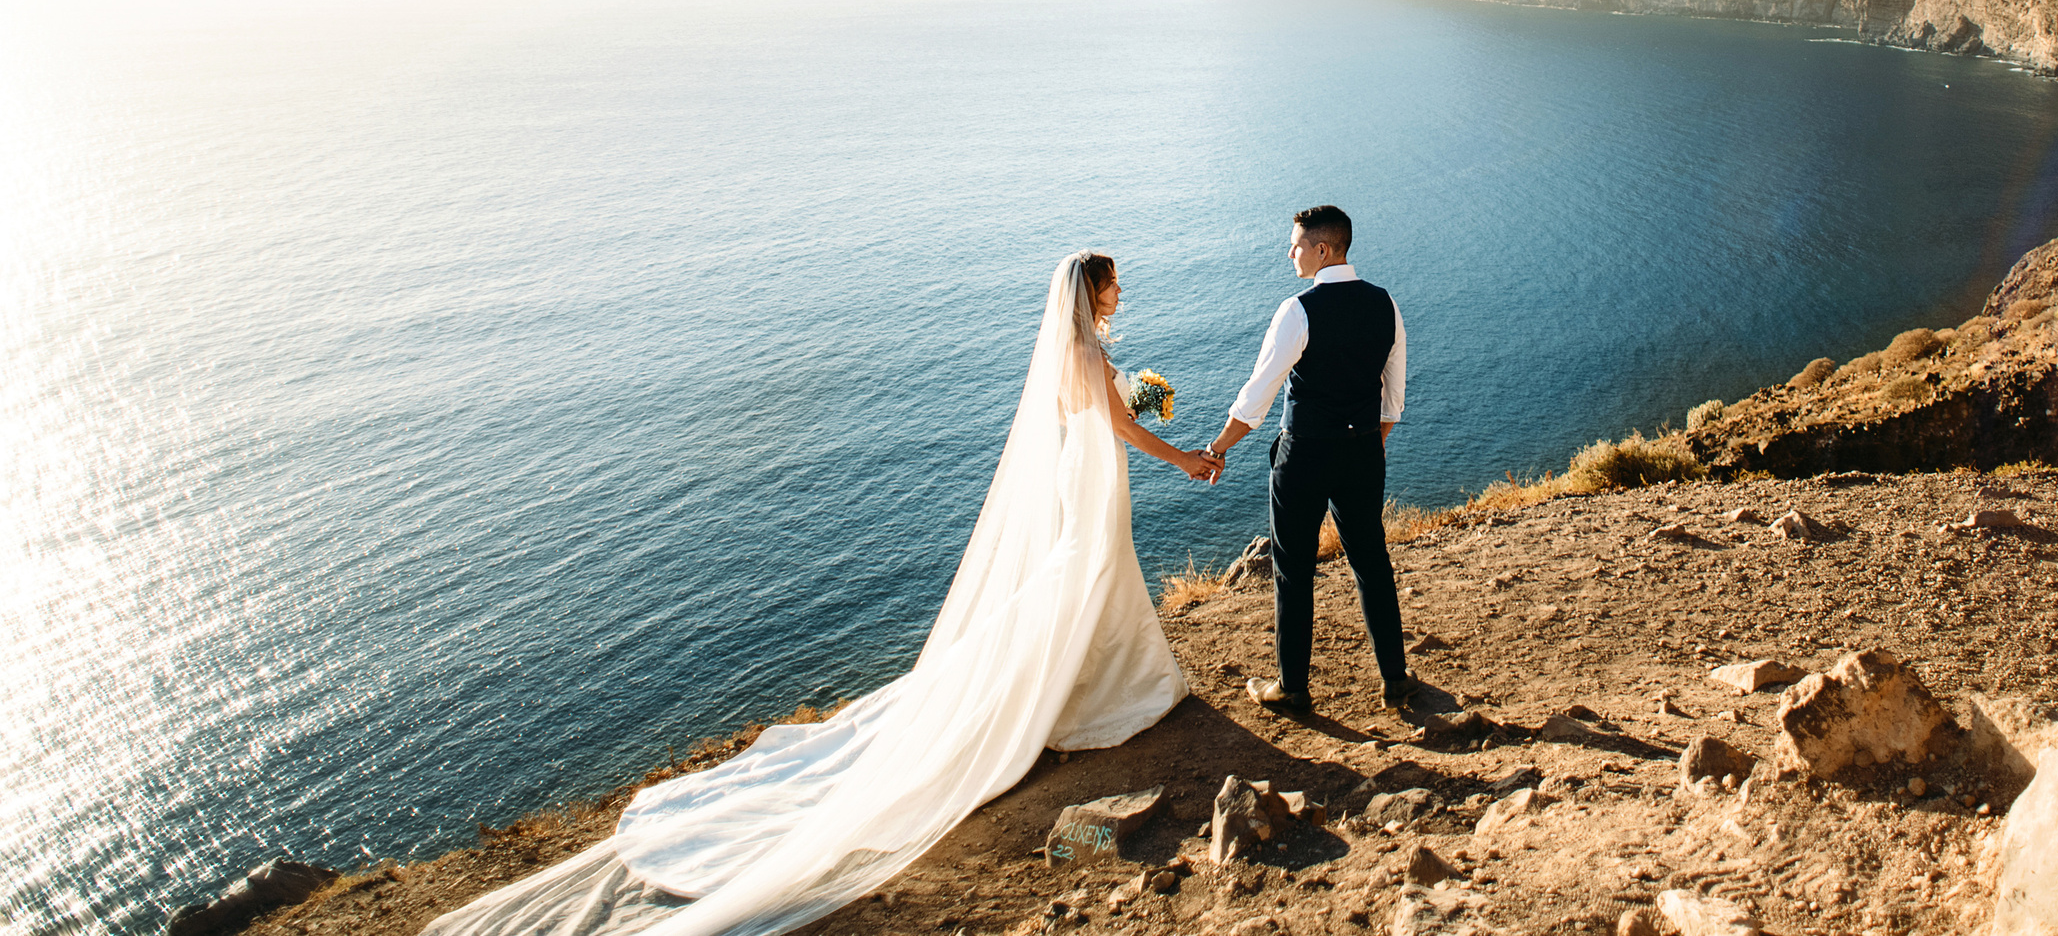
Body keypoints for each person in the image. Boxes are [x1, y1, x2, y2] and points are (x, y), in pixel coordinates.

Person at [423, 252, 1212, 936]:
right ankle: (1101, 693)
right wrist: (1179, 453)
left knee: (1087, 578)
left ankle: (1099, 685)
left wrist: (1133, 401)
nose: (1119, 293)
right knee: (1088, 576)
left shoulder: (1070, 350)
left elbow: (1095, 421)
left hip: (1087, 480)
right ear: (1091, 291)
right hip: (1094, 476)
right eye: (1113, 284)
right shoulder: (1079, 353)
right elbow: (1119, 429)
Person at [1198, 205, 1417, 716]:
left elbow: (1257, 399)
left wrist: (1216, 449)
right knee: (1372, 561)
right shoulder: (1386, 303)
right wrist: (1367, 442)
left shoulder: (1297, 310)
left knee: (1293, 568)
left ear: (1322, 250)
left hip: (1304, 458)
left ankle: (1293, 688)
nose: (1289, 252)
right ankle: (1395, 680)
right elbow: (1395, 400)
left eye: (1295, 244)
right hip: (1363, 450)